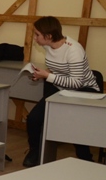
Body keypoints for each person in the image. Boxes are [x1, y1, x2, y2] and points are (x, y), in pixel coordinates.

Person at [24, 16, 100, 167]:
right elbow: (58, 67)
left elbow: (77, 82)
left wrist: (47, 76)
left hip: (84, 90)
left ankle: (86, 159)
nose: (35, 38)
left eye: (37, 34)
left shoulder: (74, 50)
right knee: (33, 119)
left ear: (49, 36)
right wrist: (44, 73)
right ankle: (35, 152)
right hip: (62, 89)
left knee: (74, 124)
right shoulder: (48, 46)